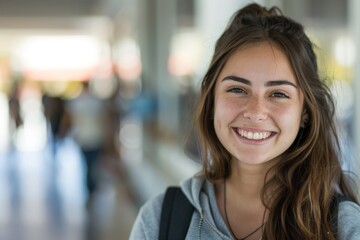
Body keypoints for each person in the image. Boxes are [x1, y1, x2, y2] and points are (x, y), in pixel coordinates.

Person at [130, 3, 360, 240]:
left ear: (305, 113)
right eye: (238, 89)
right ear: (212, 102)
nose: (255, 111)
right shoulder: (159, 221)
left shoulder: (345, 228)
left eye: (278, 94)